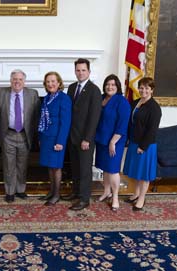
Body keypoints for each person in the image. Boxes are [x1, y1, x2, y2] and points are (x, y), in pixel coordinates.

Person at [0, 69, 40, 203]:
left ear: (24, 81)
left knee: (22, 164)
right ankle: (9, 191)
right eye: (14, 79)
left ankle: (20, 190)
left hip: (25, 135)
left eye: (20, 79)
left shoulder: (33, 94)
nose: (17, 82)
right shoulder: (1, 93)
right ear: (10, 80)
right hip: (8, 134)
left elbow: (36, 115)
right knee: (9, 165)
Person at [62, 58, 102, 211]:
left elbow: (94, 117)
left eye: (83, 70)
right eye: (78, 70)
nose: (80, 73)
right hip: (73, 137)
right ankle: (76, 193)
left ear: (89, 72)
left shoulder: (94, 90)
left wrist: (87, 138)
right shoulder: (72, 88)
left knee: (85, 170)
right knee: (75, 168)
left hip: (85, 138)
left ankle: (84, 199)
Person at [123, 77, 162, 211]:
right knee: (137, 172)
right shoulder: (135, 103)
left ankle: (141, 198)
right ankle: (136, 193)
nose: (143, 90)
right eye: (141, 87)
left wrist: (143, 146)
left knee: (144, 174)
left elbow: (152, 130)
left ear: (152, 90)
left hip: (146, 146)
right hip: (134, 142)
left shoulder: (154, 108)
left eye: (146, 88)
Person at [94, 74, 131, 211]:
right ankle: (106, 191)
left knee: (113, 169)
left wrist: (113, 142)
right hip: (101, 139)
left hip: (115, 141)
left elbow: (122, 124)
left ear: (118, 87)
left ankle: (115, 196)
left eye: (113, 85)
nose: (110, 87)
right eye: (108, 84)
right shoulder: (102, 98)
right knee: (105, 168)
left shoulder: (122, 101)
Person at [38, 72, 71, 206]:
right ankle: (52, 191)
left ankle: (57, 194)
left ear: (59, 83)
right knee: (50, 166)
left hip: (56, 139)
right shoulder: (47, 98)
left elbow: (66, 122)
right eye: (48, 82)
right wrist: (41, 138)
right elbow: (42, 120)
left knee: (56, 167)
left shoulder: (64, 99)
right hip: (46, 138)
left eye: (53, 81)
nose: (50, 84)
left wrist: (60, 142)